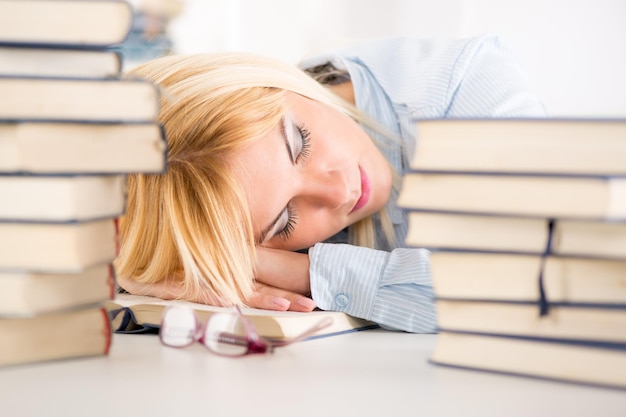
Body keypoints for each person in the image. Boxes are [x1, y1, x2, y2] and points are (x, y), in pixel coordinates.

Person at [115, 33, 547, 333]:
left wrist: (301, 271)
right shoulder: (227, 204)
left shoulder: (462, 82)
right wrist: (142, 273)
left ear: (273, 81)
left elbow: (537, 282)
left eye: (300, 143)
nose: (340, 192)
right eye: (284, 221)